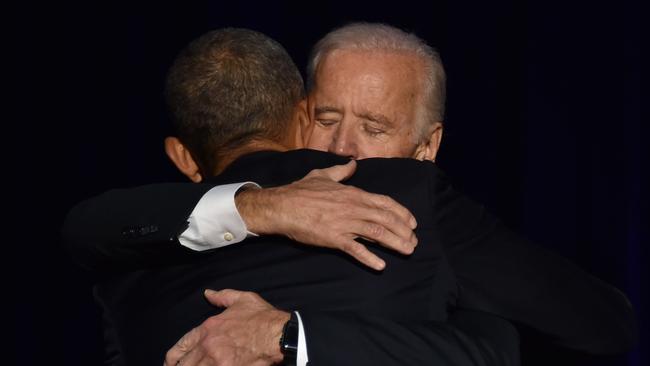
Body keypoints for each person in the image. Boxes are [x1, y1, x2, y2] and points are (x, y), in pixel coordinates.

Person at [63, 24, 637, 365]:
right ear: (298, 115)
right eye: (327, 117)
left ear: (426, 147)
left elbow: (601, 324)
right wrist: (261, 206)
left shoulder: (425, 209)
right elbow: (93, 226)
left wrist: (289, 337)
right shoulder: (150, 241)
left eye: (376, 128)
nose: (343, 150)